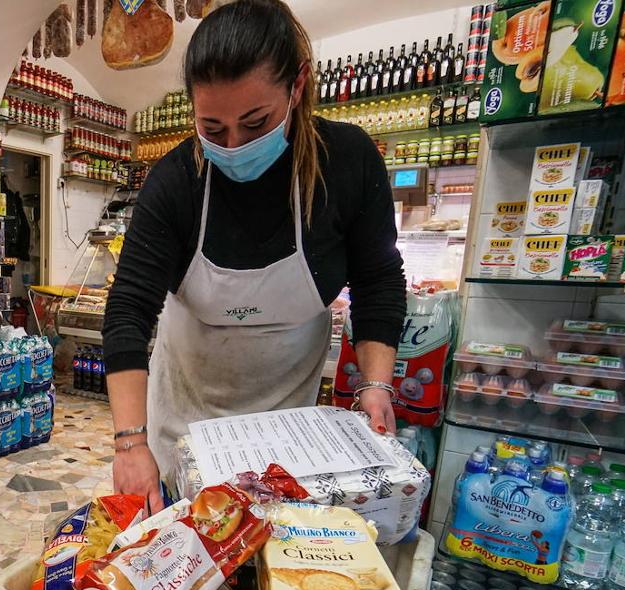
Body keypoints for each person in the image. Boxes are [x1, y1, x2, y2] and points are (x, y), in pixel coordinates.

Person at [103, 0, 406, 513]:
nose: (235, 144)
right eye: (213, 129)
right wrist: (130, 443)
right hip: (184, 415)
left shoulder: (347, 163)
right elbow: (129, 310)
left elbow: (378, 280)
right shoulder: (175, 182)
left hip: (287, 424)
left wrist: (377, 385)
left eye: (256, 122)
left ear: (298, 85)